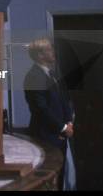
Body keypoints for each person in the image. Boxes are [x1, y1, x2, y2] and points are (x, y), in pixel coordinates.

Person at [24, 38, 76, 190]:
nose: (53, 53)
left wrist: (69, 123)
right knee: (52, 182)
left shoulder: (51, 75)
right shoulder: (33, 76)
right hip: (46, 136)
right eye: (49, 50)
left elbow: (64, 100)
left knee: (63, 179)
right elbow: (40, 109)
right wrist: (62, 127)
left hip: (61, 134)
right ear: (40, 55)